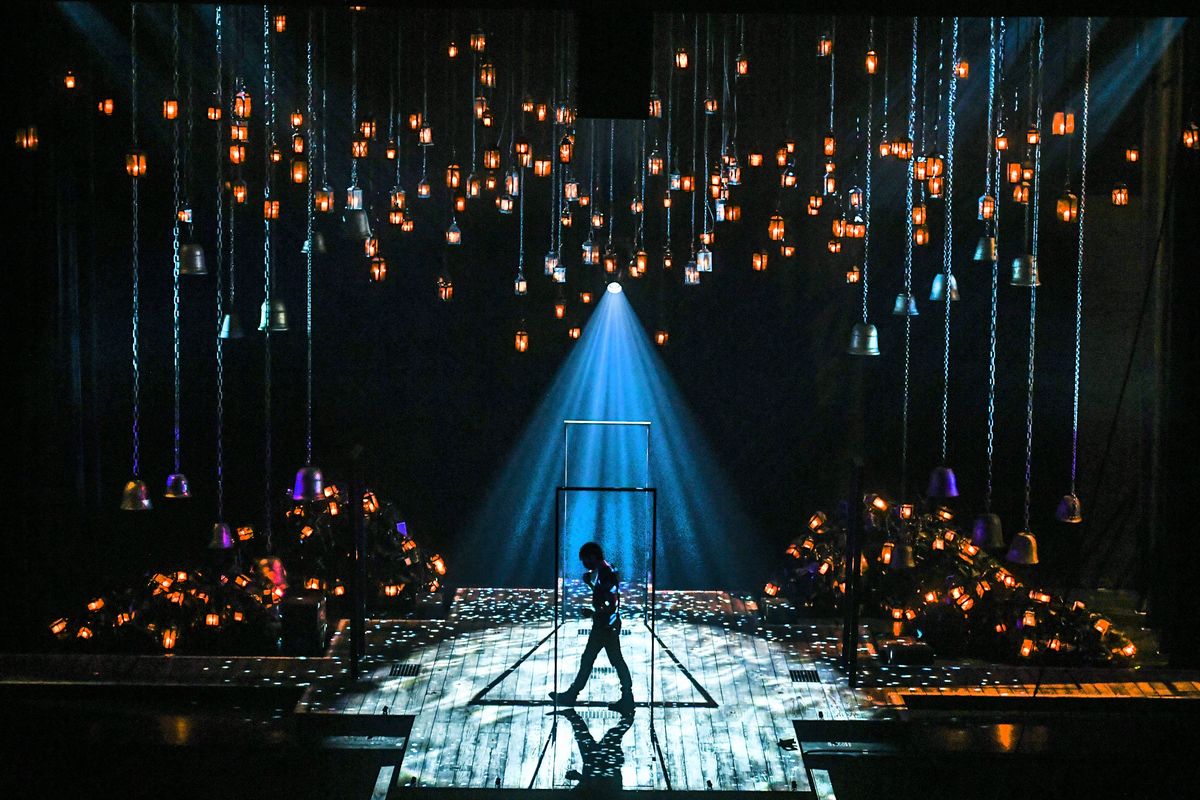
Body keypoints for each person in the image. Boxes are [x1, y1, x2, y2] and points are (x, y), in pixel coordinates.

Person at [549, 542, 635, 712]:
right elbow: (607, 597)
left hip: (604, 625)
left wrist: (593, 613)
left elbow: (610, 604)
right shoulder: (607, 570)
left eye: (585, 560)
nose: (584, 564)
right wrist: (590, 584)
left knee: (595, 659)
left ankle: (572, 695)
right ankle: (626, 698)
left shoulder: (605, 573)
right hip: (607, 624)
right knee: (609, 660)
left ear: (592, 556)